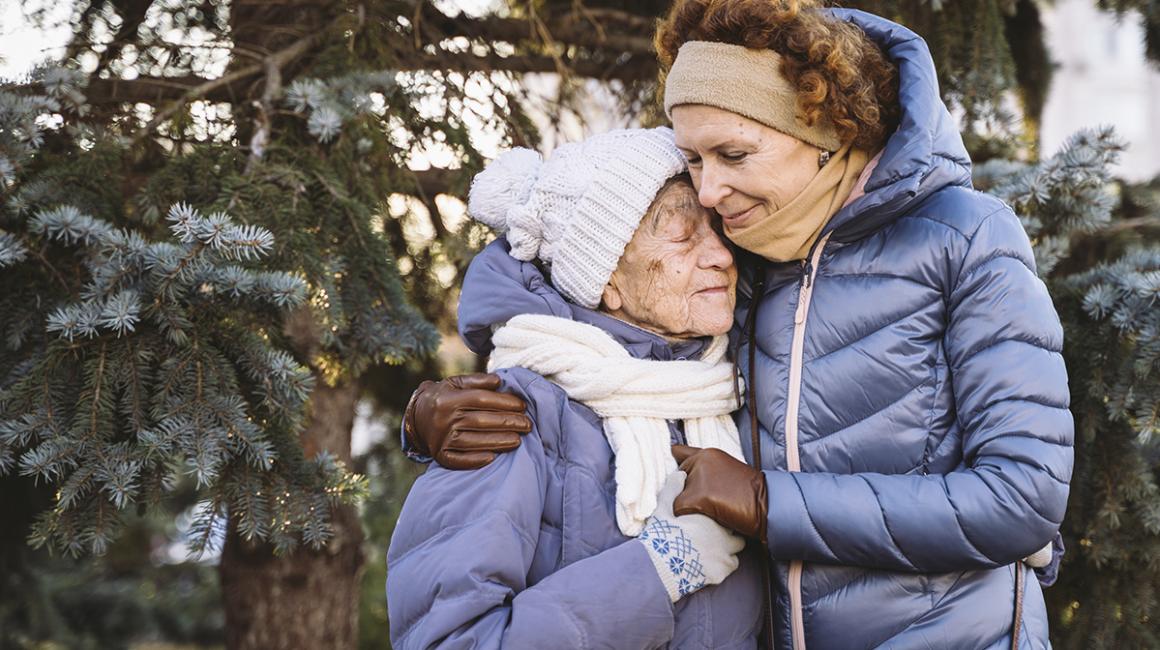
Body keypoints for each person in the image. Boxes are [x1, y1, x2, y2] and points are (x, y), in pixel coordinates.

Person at [401, 1, 1073, 648]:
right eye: (694, 160)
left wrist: (765, 502)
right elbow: (568, 250)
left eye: (734, 155)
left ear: (820, 132)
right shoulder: (748, 249)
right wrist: (430, 418)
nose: (712, 194)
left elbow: (1023, 496)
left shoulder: (964, 240)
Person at [387, 127, 765, 649]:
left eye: (717, 230)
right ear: (605, 280)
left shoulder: (737, 381)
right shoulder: (507, 418)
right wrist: (660, 567)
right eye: (680, 233)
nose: (721, 256)